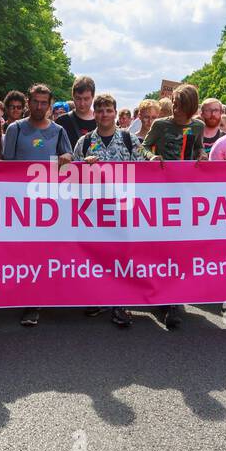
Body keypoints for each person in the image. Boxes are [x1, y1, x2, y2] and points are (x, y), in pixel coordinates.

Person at [1, 84, 73, 328]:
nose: (39, 106)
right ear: (28, 102)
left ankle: (39, 299)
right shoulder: (15, 129)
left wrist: (67, 158)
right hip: (21, 204)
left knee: (47, 252)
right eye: (35, 101)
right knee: (23, 253)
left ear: (50, 104)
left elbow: (70, 160)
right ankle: (25, 298)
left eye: (44, 102)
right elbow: (5, 166)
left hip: (50, 205)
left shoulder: (60, 130)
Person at [73, 93, 145, 328]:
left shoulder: (129, 139)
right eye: (100, 110)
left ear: (115, 113)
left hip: (123, 209)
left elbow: (145, 172)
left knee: (122, 256)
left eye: (108, 110)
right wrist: (84, 167)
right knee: (96, 255)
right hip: (93, 212)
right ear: (94, 114)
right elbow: (71, 177)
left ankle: (120, 303)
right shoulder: (83, 143)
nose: (104, 114)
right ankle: (97, 297)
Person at [139, 84, 203, 330]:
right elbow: (142, 147)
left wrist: (202, 155)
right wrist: (151, 157)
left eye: (182, 107)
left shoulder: (197, 126)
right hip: (160, 193)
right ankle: (163, 297)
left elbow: (198, 148)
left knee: (179, 247)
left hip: (185, 195)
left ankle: (173, 299)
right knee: (161, 245)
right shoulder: (160, 125)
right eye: (174, 104)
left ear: (191, 108)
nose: (176, 110)